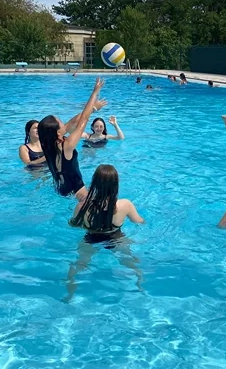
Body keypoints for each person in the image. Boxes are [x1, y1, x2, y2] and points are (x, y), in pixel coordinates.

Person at [64, 164, 144, 300]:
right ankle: (139, 284)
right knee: (132, 262)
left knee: (80, 264)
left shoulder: (82, 206)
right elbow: (139, 221)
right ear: (116, 184)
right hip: (116, 238)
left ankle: (70, 292)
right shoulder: (125, 205)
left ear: (94, 183)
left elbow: (73, 224)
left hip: (91, 238)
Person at [38, 77, 107, 200]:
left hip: (61, 188)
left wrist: (93, 108)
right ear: (58, 132)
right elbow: (83, 119)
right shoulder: (67, 145)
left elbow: (74, 121)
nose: (63, 122)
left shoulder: (49, 144)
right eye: (60, 121)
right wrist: (95, 93)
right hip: (77, 191)